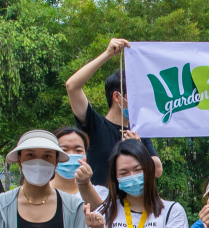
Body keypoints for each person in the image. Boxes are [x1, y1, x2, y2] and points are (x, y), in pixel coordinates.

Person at [65, 37, 156, 178]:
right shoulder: (95, 125)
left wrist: (139, 148)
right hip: (98, 199)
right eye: (134, 96)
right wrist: (107, 54)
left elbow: (157, 170)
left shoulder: (138, 131)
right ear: (117, 96)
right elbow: (72, 87)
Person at [51, 126, 105, 209]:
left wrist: (84, 184)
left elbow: (102, 213)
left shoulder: (101, 193)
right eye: (64, 150)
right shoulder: (40, 190)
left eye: (78, 150)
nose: (71, 155)